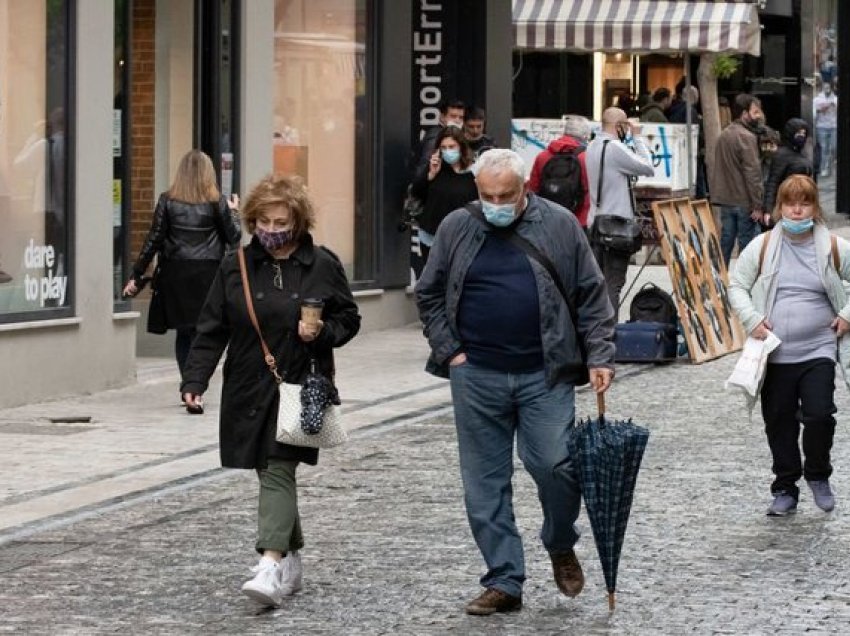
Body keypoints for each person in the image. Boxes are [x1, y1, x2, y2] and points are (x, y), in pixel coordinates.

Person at [415, 148, 616, 616]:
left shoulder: (559, 224)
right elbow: (428, 293)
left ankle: (560, 540)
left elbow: (591, 291)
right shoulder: (458, 226)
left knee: (556, 465)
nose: (496, 203)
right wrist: (451, 352)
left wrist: (600, 354)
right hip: (477, 372)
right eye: (488, 195)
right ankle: (504, 578)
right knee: (483, 482)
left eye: (505, 194)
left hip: (544, 372)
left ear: (525, 187)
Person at [180, 174, 361, 606]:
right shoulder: (235, 265)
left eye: (281, 220)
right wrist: (195, 380)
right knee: (268, 470)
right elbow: (211, 327)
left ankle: (269, 563)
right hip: (247, 381)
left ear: (298, 221)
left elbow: (349, 319)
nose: (271, 228)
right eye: (263, 219)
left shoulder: (322, 264)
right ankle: (292, 557)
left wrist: (319, 334)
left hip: (300, 381)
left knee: (279, 468)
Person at [728, 175, 850, 517]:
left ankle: (818, 475)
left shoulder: (833, 247)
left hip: (818, 349)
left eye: (805, 203)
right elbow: (736, 285)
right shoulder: (764, 245)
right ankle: (785, 488)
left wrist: (846, 315)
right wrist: (751, 319)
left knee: (820, 414)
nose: (797, 211)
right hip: (776, 353)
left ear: (815, 207)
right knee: (779, 421)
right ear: (779, 208)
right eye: (790, 204)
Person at [122, 150, 241, 405]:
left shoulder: (168, 200)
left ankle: (189, 385)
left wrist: (137, 272)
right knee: (203, 331)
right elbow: (234, 237)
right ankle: (193, 386)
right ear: (208, 173)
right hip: (208, 273)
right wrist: (233, 212)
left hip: (176, 273)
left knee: (184, 333)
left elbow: (153, 239)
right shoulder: (216, 201)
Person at [586, 107, 655, 313]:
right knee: (613, 285)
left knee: (601, 284)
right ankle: (609, 334)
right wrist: (638, 137)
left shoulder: (593, 146)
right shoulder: (615, 149)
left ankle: (598, 331)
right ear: (618, 126)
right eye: (624, 125)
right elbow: (648, 167)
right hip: (616, 228)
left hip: (596, 223)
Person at [711, 94, 765, 266]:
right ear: (744, 113)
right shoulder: (746, 137)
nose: (759, 115)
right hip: (743, 201)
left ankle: (720, 278)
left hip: (727, 199)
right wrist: (757, 204)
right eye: (755, 112)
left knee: (726, 241)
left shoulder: (724, 134)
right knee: (746, 245)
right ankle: (742, 283)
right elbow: (753, 173)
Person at [410, 126, 478, 263]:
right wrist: (430, 175)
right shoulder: (436, 168)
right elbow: (417, 192)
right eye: (444, 147)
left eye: (452, 146)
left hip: (463, 238)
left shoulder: (474, 172)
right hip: (432, 235)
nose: (448, 151)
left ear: (461, 147)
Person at [528, 114, 592, 228]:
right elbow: (590, 191)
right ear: (585, 135)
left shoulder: (542, 156)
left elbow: (532, 190)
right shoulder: (586, 158)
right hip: (579, 221)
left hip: (548, 220)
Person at [762, 118, 813, 219]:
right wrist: (768, 209)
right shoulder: (782, 155)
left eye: (803, 133)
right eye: (798, 133)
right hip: (788, 200)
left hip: (804, 199)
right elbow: (773, 182)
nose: (801, 136)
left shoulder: (802, 153)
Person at [412, 98, 466, 179]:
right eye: (453, 116)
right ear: (442, 117)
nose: (457, 120)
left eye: (461, 117)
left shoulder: (459, 136)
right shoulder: (436, 136)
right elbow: (424, 167)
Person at [813, 82, 838, 178]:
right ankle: (823, 168)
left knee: (833, 147)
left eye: (828, 87)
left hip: (834, 126)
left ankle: (830, 167)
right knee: (824, 148)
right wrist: (823, 108)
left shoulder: (835, 99)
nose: (827, 89)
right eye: (825, 87)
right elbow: (814, 112)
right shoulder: (817, 99)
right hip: (822, 126)